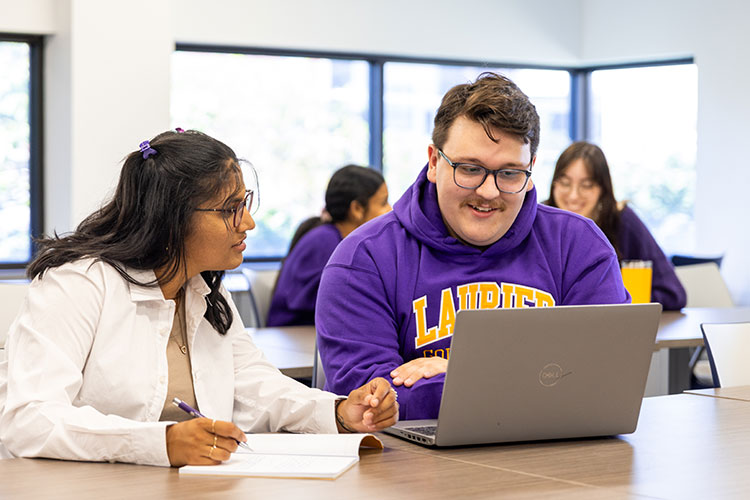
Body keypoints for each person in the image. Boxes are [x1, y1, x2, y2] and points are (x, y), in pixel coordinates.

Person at [0, 130, 398, 467]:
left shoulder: (204, 289)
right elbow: (30, 418)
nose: (249, 222)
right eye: (230, 209)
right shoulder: (77, 285)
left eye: (245, 203)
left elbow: (256, 385)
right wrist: (163, 442)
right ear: (171, 216)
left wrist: (338, 411)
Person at [316, 73, 631, 421]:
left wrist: (454, 372)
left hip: (556, 460)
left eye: (510, 173)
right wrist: (536, 380)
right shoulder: (363, 259)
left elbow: (605, 382)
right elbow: (372, 405)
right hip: (412, 470)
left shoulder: (579, 246)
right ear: (435, 162)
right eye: (469, 169)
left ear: (531, 171)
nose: (488, 192)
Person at [546, 141, 686, 310]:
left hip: (612, 328)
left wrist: (624, 301)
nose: (574, 195)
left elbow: (673, 293)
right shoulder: (539, 222)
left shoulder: (622, 220)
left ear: (603, 189)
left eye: (587, 185)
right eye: (565, 183)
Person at [266, 165, 390, 326]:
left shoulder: (334, 237)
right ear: (357, 209)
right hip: (297, 336)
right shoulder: (325, 241)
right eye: (383, 203)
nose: (390, 210)